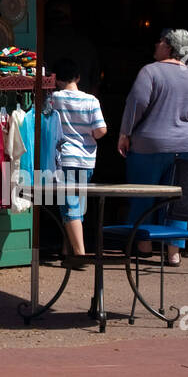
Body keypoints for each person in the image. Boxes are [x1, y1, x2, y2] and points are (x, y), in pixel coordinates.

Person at [118, 28, 188, 265]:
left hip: (151, 144)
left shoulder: (150, 71)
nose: (156, 44)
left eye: (159, 41)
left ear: (168, 47)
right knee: (179, 199)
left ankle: (144, 244)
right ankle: (174, 252)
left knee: (143, 193)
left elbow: (137, 102)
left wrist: (125, 132)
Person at [49, 57, 107, 258]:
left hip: (65, 158)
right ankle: (68, 250)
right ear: (78, 77)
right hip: (87, 159)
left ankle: (80, 254)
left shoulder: (54, 99)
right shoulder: (92, 100)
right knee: (77, 205)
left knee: (69, 205)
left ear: (56, 79)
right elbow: (100, 130)